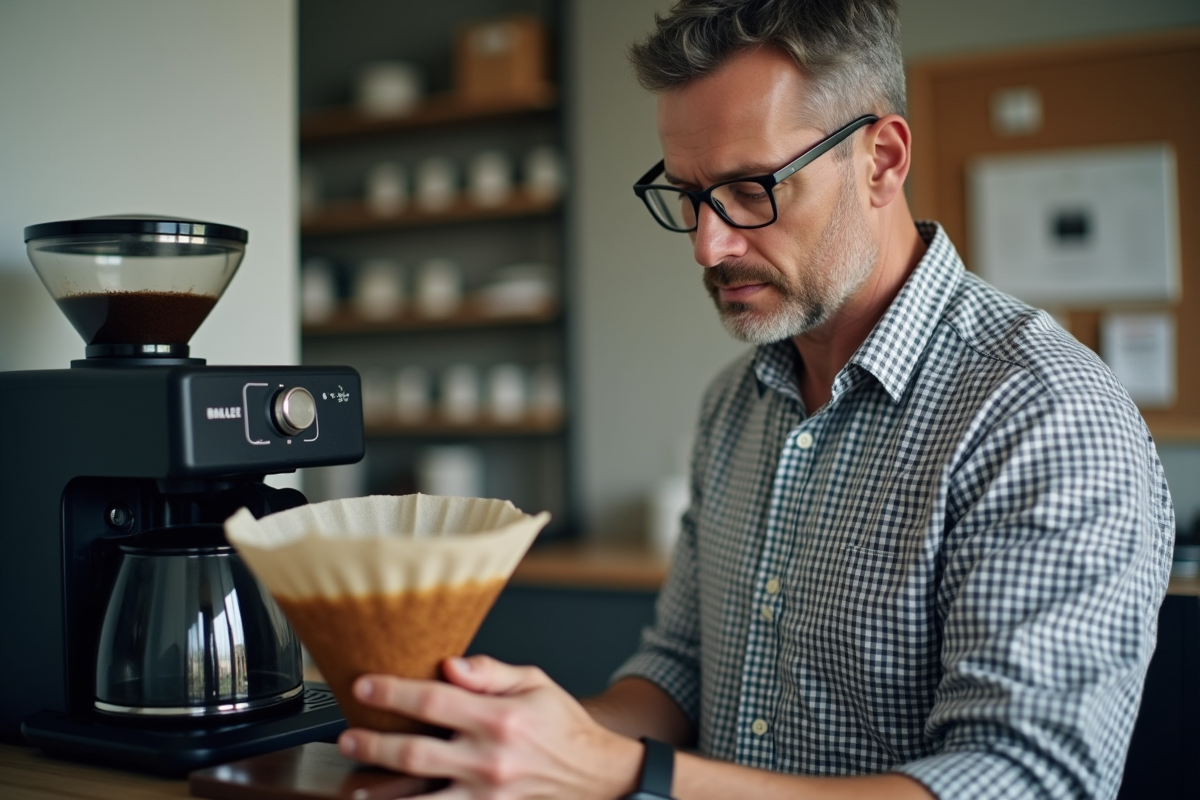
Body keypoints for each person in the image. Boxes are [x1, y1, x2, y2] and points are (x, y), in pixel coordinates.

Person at [336, 2, 1174, 798]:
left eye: (751, 189)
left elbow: (1024, 783)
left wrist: (623, 775)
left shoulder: (1044, 415)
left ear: (880, 160)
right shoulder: (737, 403)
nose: (710, 244)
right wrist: (532, 746)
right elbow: (681, 671)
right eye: (690, 195)